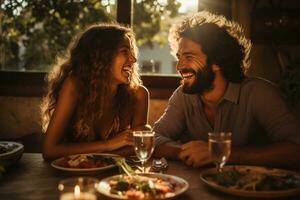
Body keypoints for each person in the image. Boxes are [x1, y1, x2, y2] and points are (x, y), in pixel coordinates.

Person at [154, 11, 300, 168]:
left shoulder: (259, 93)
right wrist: (186, 151)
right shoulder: (183, 96)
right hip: (200, 187)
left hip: (254, 189)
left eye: (189, 57)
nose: (179, 66)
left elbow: (295, 149)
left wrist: (222, 153)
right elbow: (154, 138)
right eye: (179, 57)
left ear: (217, 62)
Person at [41, 23, 149, 161]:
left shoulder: (138, 95)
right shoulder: (75, 86)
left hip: (116, 177)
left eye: (132, 52)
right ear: (102, 56)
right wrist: (108, 145)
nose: (133, 59)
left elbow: (138, 148)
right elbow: (49, 151)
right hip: (71, 177)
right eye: (124, 52)